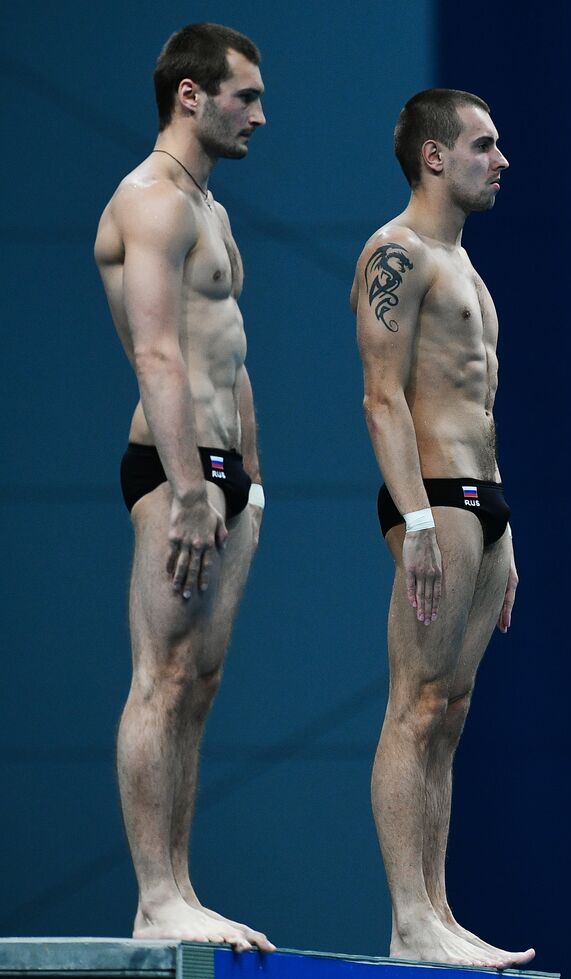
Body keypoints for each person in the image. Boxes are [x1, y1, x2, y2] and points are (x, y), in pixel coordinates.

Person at [94, 23, 273, 952]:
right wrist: (191, 485)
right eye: (245, 95)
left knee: (197, 686)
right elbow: (159, 353)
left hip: (222, 475)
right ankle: (154, 894)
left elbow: (229, 352)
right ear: (191, 96)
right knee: (160, 677)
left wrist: (251, 477)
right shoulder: (150, 202)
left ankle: (182, 884)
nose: (260, 114)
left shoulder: (211, 207)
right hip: (176, 472)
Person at [351, 89, 531, 969]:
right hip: (435, 499)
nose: (501, 160)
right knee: (414, 705)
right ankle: (407, 917)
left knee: (450, 713)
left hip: (481, 505)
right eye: (484, 145)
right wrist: (419, 518)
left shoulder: (466, 267)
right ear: (434, 156)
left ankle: (439, 910)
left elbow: (482, 408)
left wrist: (506, 538)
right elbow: (381, 396)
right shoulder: (398, 253)